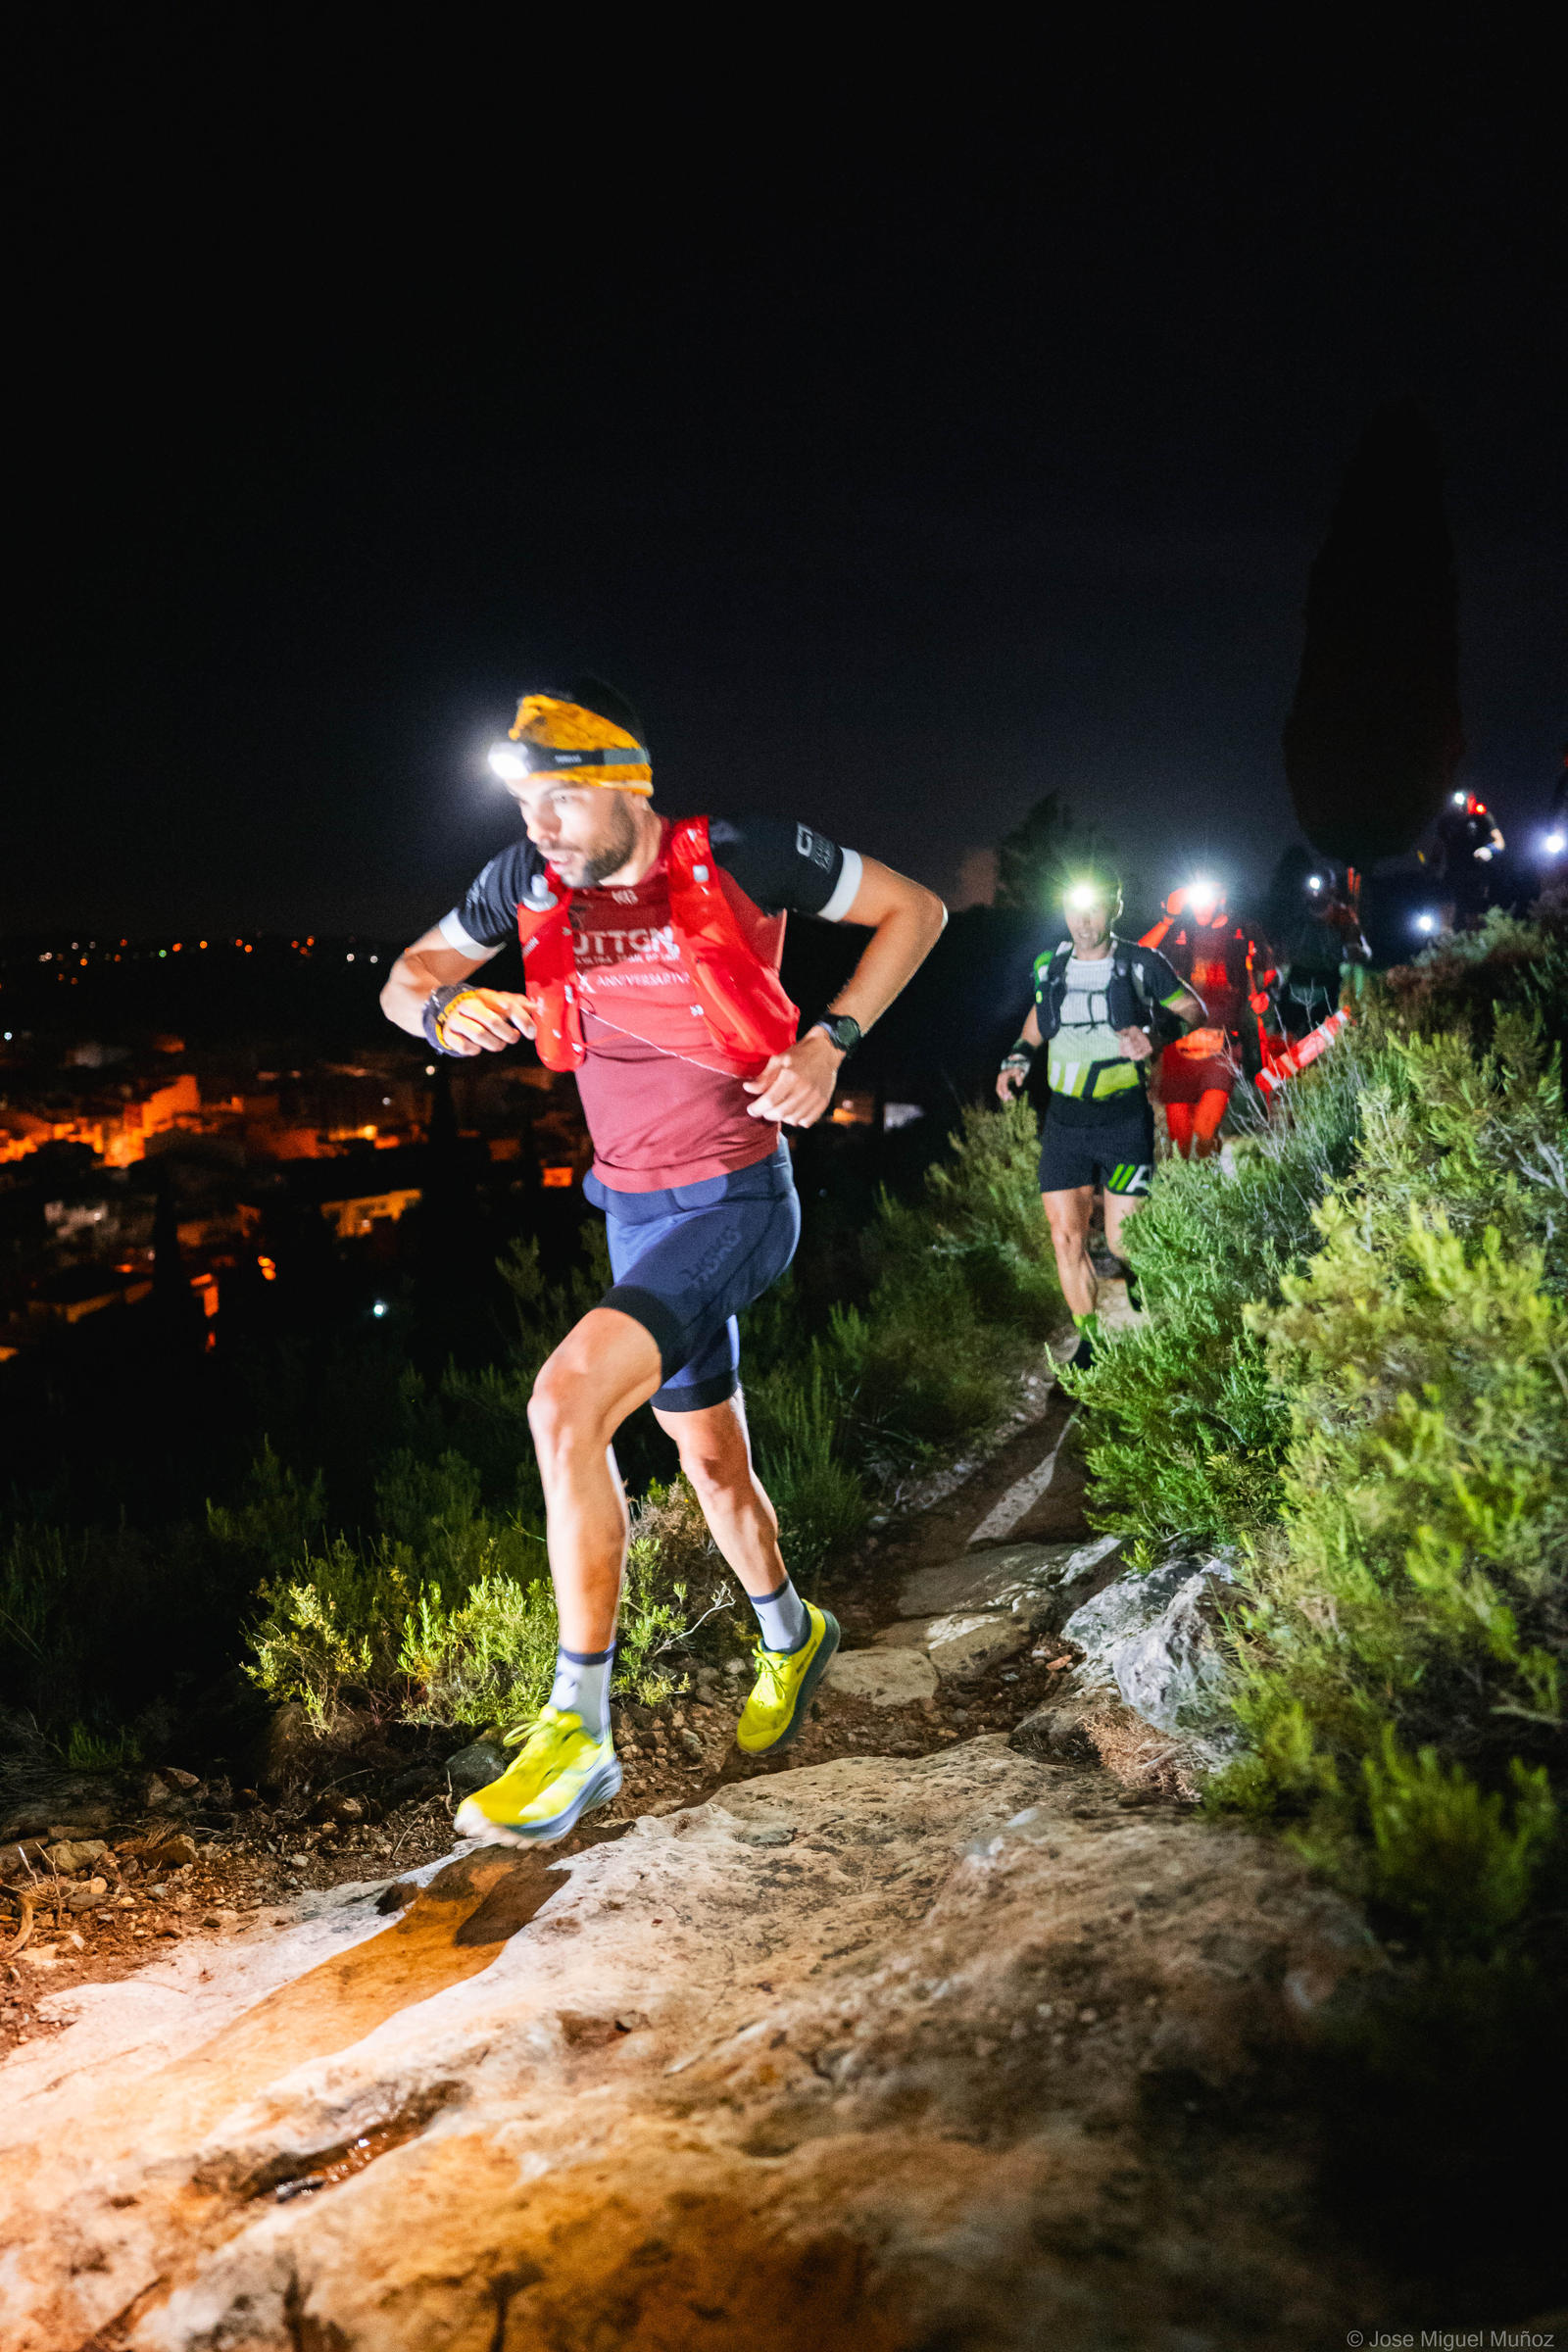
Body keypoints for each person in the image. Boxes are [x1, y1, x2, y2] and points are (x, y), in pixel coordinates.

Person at [381, 681, 947, 1844]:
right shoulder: (524, 879)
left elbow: (918, 909)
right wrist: (442, 1013)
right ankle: (794, 1635)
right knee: (713, 1466)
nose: (539, 825)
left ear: (627, 785)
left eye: (560, 799)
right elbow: (404, 978)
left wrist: (830, 1041)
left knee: (563, 1403)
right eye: (524, 805)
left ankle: (577, 1730)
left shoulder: (743, 852)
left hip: (738, 1201)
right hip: (631, 1213)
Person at [996, 863, 1202, 1366]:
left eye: (1093, 910)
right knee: (1065, 1237)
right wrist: (1018, 1057)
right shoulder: (1050, 965)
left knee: (1122, 1241)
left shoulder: (1141, 964)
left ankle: (1134, 1270)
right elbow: (1040, 1019)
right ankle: (1090, 1345)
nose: (1083, 921)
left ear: (1114, 909)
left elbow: (1195, 1011)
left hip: (1123, 1120)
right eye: (1074, 909)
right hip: (1065, 1123)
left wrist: (1153, 1036)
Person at [1140, 882, 1269, 1158]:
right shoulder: (1180, 929)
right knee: (1180, 1142)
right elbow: (1138, 957)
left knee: (1204, 1132)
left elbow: (1269, 971)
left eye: (1206, 898)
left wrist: (1264, 994)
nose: (1199, 906)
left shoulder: (1243, 930)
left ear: (1221, 897)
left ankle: (1209, 1173)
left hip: (1223, 1043)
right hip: (1180, 1045)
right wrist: (1167, 919)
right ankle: (1197, 1179)